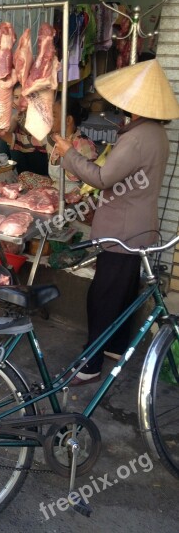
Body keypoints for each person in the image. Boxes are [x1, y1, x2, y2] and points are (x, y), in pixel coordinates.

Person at [52, 59, 179, 384]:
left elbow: (102, 178)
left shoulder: (137, 138)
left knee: (102, 297)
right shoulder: (155, 133)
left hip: (122, 232)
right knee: (122, 293)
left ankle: (90, 364)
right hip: (138, 227)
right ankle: (115, 347)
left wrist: (68, 152)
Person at [18, 95, 97, 192]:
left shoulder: (84, 144)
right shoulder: (52, 138)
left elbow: (93, 180)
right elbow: (23, 141)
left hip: (75, 192)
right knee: (25, 176)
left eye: (53, 116)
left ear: (68, 120)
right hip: (56, 187)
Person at [0, 83, 49, 176]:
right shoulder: (20, 114)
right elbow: (7, 134)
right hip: (27, 152)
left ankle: (21, 174)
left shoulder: (38, 113)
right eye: (16, 97)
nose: (19, 101)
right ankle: (4, 166)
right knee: (6, 141)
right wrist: (15, 118)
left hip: (41, 157)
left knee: (14, 144)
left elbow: (32, 140)